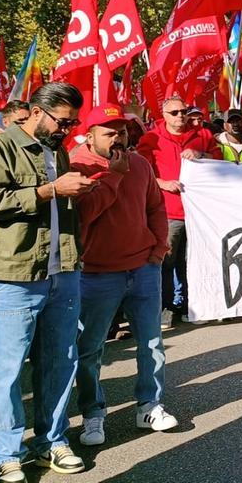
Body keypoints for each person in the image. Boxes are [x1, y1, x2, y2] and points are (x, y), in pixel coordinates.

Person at [0, 82, 96, 482]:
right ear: (38, 112)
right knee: (7, 367)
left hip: (62, 270)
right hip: (13, 274)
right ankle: (5, 453)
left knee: (60, 361)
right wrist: (50, 189)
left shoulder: (55, 150)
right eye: (63, 121)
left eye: (73, 123)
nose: (68, 130)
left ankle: (52, 442)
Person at [70, 105, 177, 448]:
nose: (118, 138)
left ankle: (150, 404)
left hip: (143, 268)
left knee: (151, 342)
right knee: (90, 348)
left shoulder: (141, 164)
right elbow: (84, 215)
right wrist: (113, 175)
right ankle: (92, 412)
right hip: (97, 274)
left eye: (123, 131)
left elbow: (155, 208)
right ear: (90, 135)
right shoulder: (76, 165)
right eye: (109, 132)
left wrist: (158, 250)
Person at [136, 96, 220, 330]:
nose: (180, 116)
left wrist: (202, 155)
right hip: (168, 212)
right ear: (163, 115)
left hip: (198, 212)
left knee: (192, 261)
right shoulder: (151, 139)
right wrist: (161, 183)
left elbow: (222, 160)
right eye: (174, 112)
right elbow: (141, 172)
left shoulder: (202, 135)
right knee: (165, 262)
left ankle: (190, 306)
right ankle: (164, 309)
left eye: (183, 111)